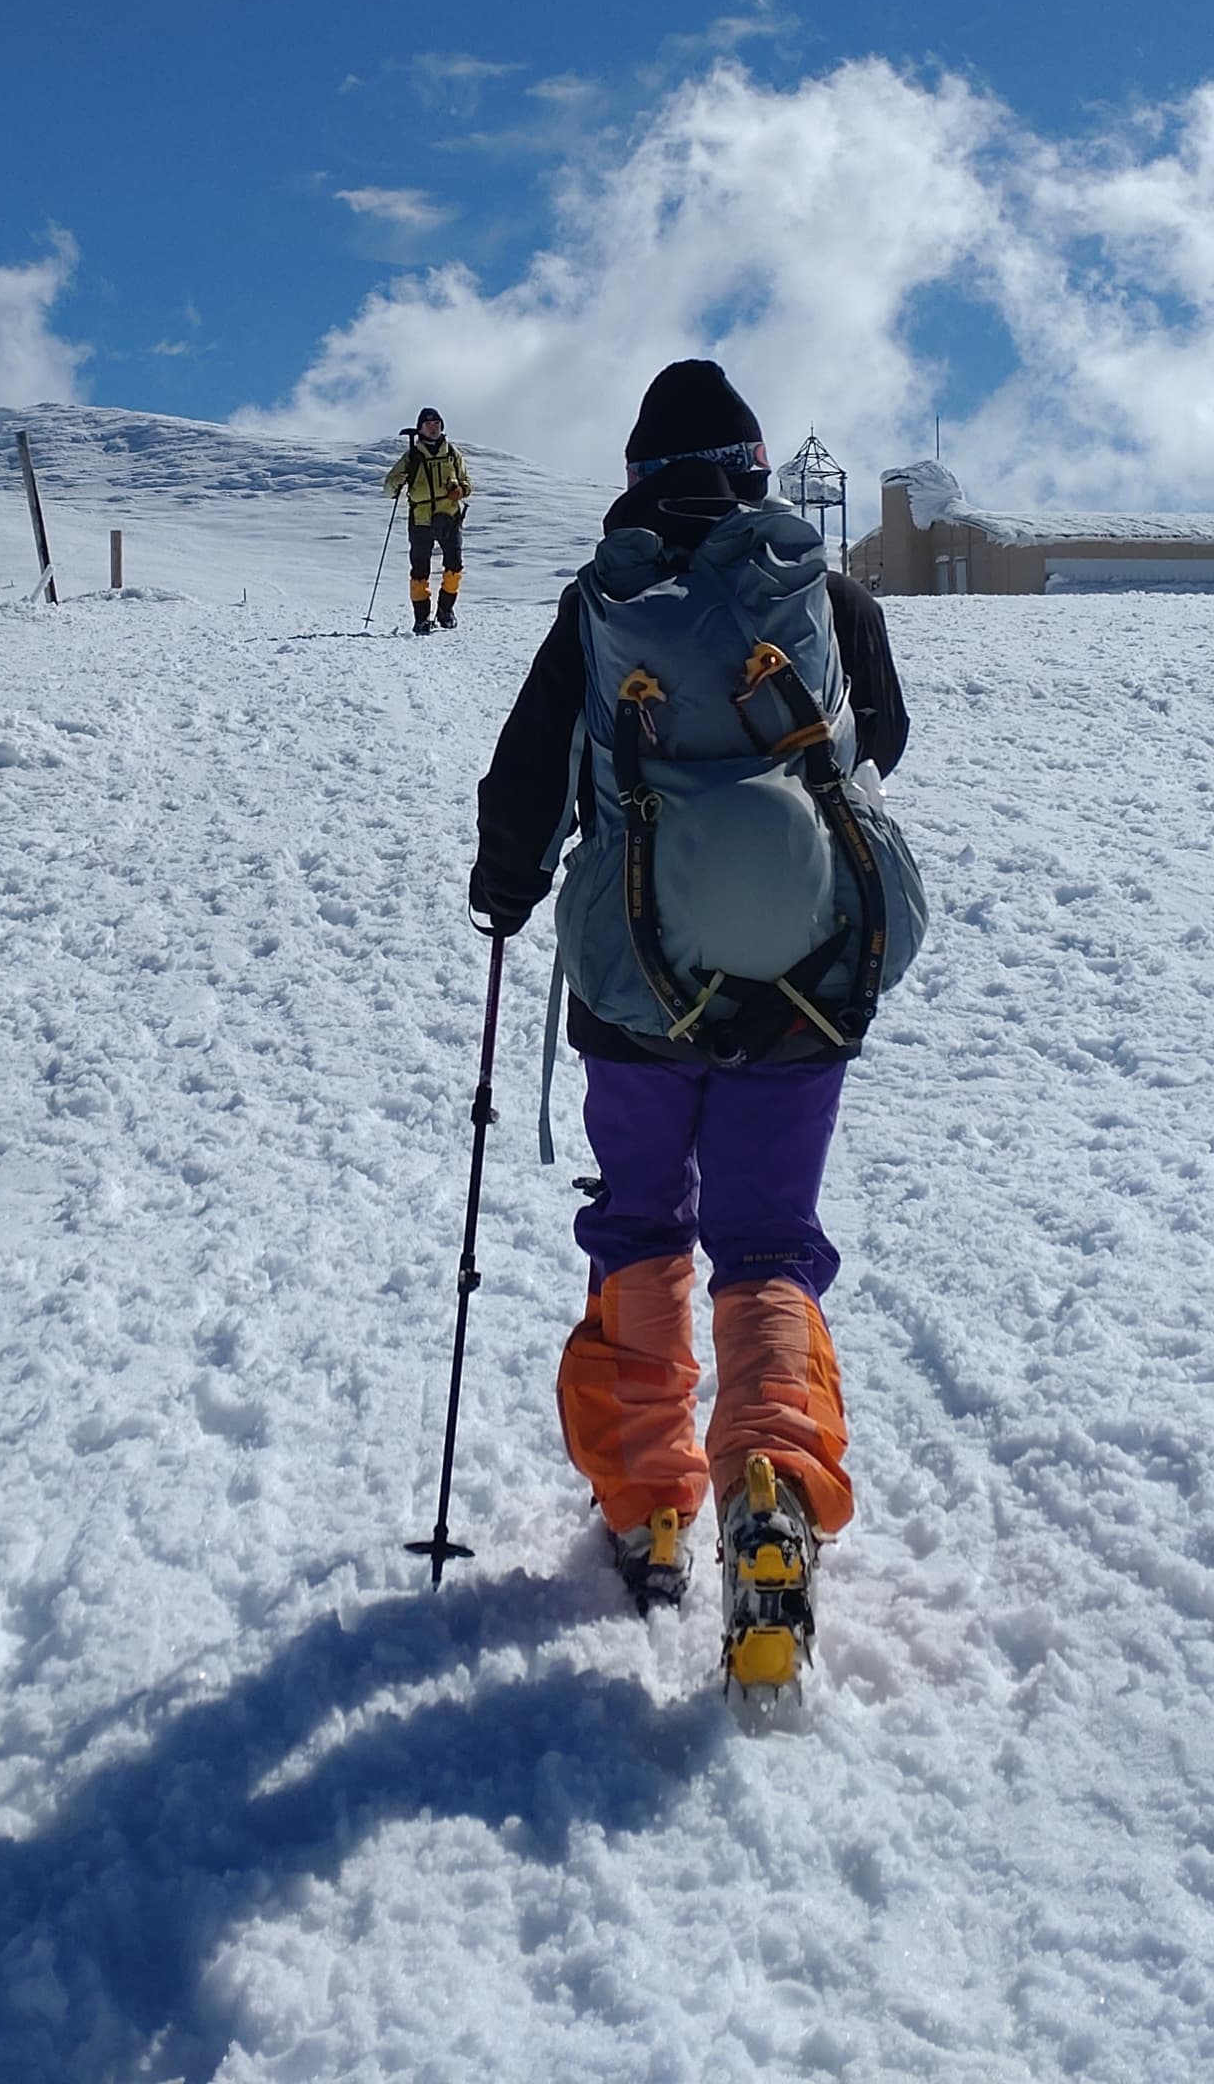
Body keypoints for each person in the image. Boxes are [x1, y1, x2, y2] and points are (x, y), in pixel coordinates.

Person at [466, 360, 912, 1684]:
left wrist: (507, 888)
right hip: (805, 979)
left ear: (636, 479)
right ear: (759, 470)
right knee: (766, 1239)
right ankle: (770, 1482)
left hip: (633, 987)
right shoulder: (823, 593)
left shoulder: (602, 602)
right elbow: (882, 739)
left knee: (644, 1222)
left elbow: (527, 777)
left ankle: (650, 1504)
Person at [383, 408, 473, 634]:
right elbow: (389, 489)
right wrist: (397, 481)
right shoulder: (412, 456)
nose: (433, 427)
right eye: (428, 424)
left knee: (454, 566)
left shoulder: (452, 453)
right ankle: (422, 618)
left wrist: (461, 490)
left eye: (436, 423)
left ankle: (445, 611)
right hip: (421, 518)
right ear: (420, 428)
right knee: (420, 570)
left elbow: (467, 482)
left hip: (449, 517)